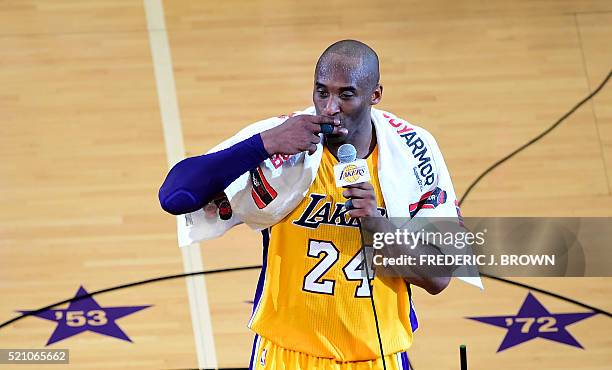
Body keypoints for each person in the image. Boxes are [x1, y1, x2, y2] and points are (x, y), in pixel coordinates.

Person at [159, 40, 461, 370]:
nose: (330, 107)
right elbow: (176, 195)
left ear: (375, 95)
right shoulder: (281, 142)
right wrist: (265, 143)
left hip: (378, 356)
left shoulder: (413, 152)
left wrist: (378, 224)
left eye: (346, 95)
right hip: (287, 355)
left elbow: (439, 276)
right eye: (321, 92)